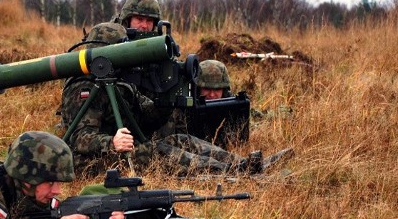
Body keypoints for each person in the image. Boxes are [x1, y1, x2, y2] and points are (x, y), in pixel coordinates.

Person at [61, 21, 273, 178]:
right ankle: (235, 172)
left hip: (123, 151)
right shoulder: (84, 87)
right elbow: (80, 137)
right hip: (94, 161)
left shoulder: (120, 82)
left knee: (181, 140)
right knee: (159, 151)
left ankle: (245, 163)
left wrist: (166, 102)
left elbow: (145, 117)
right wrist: (112, 142)